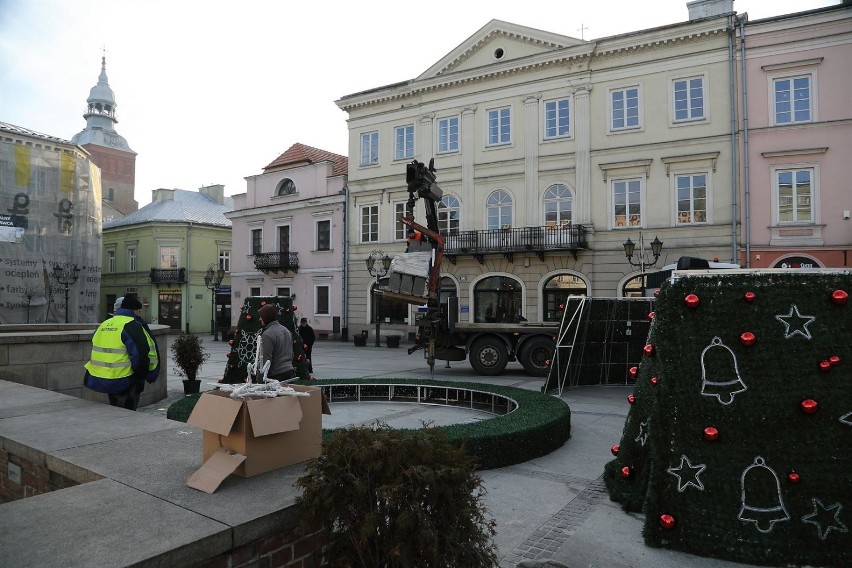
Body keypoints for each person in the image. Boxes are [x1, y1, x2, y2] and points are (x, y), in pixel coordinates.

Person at [84, 295, 160, 411]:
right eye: (139, 311)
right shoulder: (131, 325)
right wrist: (143, 376)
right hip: (125, 379)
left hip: (103, 376)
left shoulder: (104, 324)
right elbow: (140, 356)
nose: (140, 314)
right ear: (134, 310)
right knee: (127, 414)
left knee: (115, 410)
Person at [258, 303, 295, 382]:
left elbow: (266, 359)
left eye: (261, 316)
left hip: (276, 375)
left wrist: (260, 379)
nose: (259, 319)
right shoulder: (286, 331)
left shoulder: (267, 335)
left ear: (266, 317)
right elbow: (291, 353)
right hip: (289, 371)